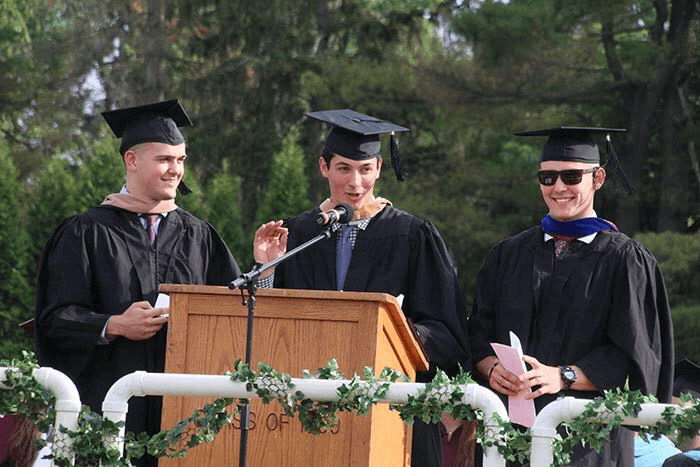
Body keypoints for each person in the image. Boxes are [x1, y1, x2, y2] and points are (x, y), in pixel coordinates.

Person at [252, 109, 471, 467]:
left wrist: (395, 335)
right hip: (305, 413)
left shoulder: (412, 236)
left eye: (365, 169)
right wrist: (266, 268)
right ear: (324, 167)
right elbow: (263, 329)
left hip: (391, 411)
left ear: (379, 169)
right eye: (344, 169)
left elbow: (449, 335)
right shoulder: (297, 234)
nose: (355, 183)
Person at [34, 99, 241, 465]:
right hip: (105, 407)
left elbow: (232, 313)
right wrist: (113, 325)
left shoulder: (199, 235)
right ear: (132, 160)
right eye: (164, 159)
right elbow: (54, 319)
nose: (175, 170)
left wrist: (265, 266)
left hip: (181, 417)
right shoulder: (86, 231)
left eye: (180, 160)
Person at [468, 127, 674, 466]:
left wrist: (562, 375)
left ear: (598, 178)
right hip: (508, 437)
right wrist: (490, 368)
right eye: (547, 178)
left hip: (589, 442)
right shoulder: (509, 254)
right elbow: (477, 331)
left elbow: (637, 355)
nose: (558, 187)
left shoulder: (625, 261)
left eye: (571, 176)